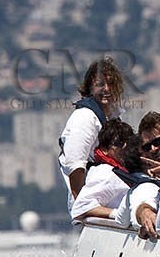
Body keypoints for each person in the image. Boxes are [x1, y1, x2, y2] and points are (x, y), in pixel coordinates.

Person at [57, 57, 125, 209]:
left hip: (109, 199)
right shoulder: (85, 117)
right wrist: (83, 206)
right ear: (90, 88)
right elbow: (75, 166)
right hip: (93, 205)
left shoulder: (112, 117)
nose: (107, 89)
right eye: (100, 84)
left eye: (112, 84)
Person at [70, 120, 141, 221]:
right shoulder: (106, 172)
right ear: (105, 149)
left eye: (129, 143)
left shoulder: (125, 172)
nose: (125, 147)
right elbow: (81, 207)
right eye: (119, 143)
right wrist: (117, 214)